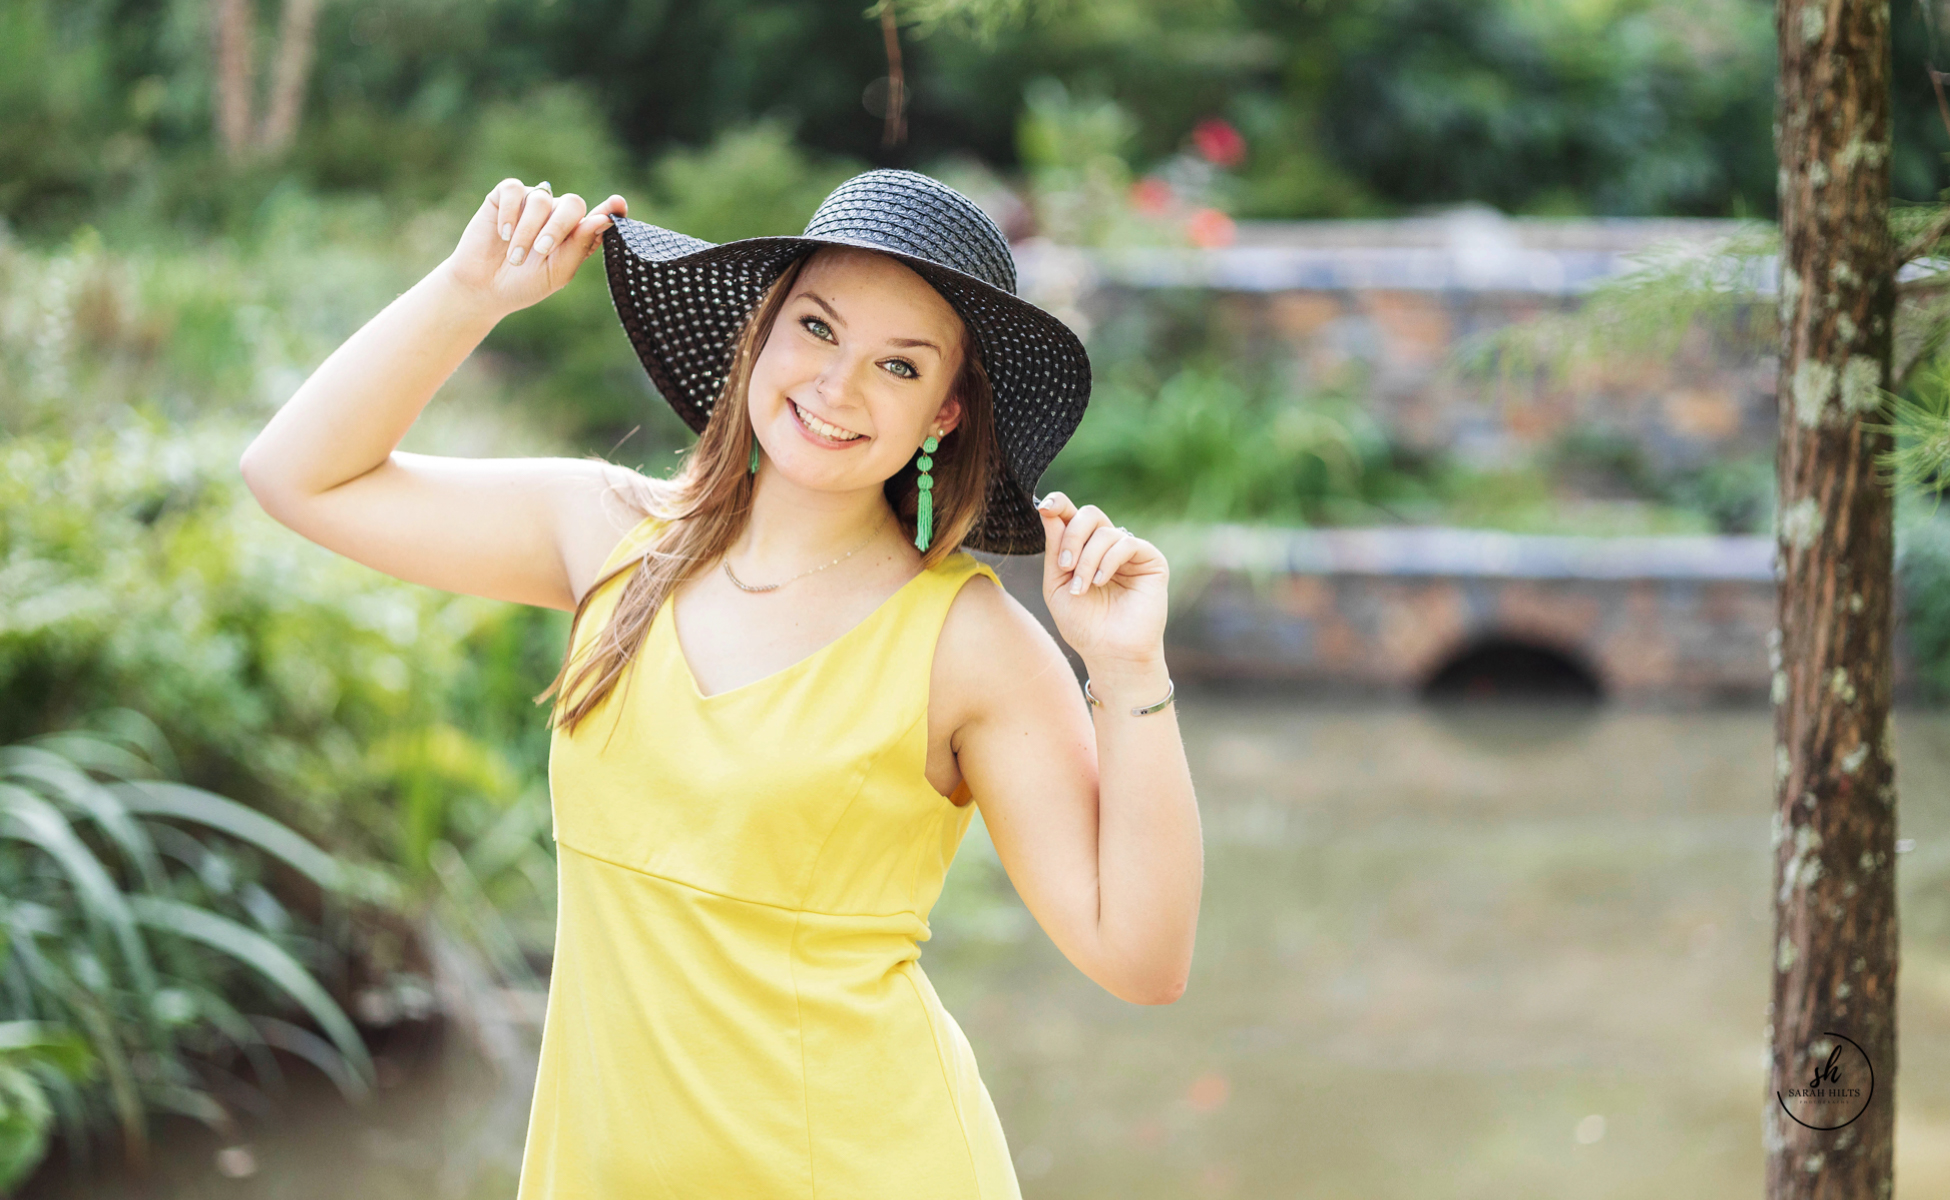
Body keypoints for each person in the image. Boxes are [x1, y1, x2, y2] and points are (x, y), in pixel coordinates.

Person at [239, 167, 1203, 1198]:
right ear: (762, 328)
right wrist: (469, 293)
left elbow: (1139, 959)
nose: (838, 387)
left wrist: (1127, 667)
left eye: (899, 365)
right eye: (818, 329)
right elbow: (297, 476)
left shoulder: (970, 642)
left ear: (944, 414)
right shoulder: (607, 536)